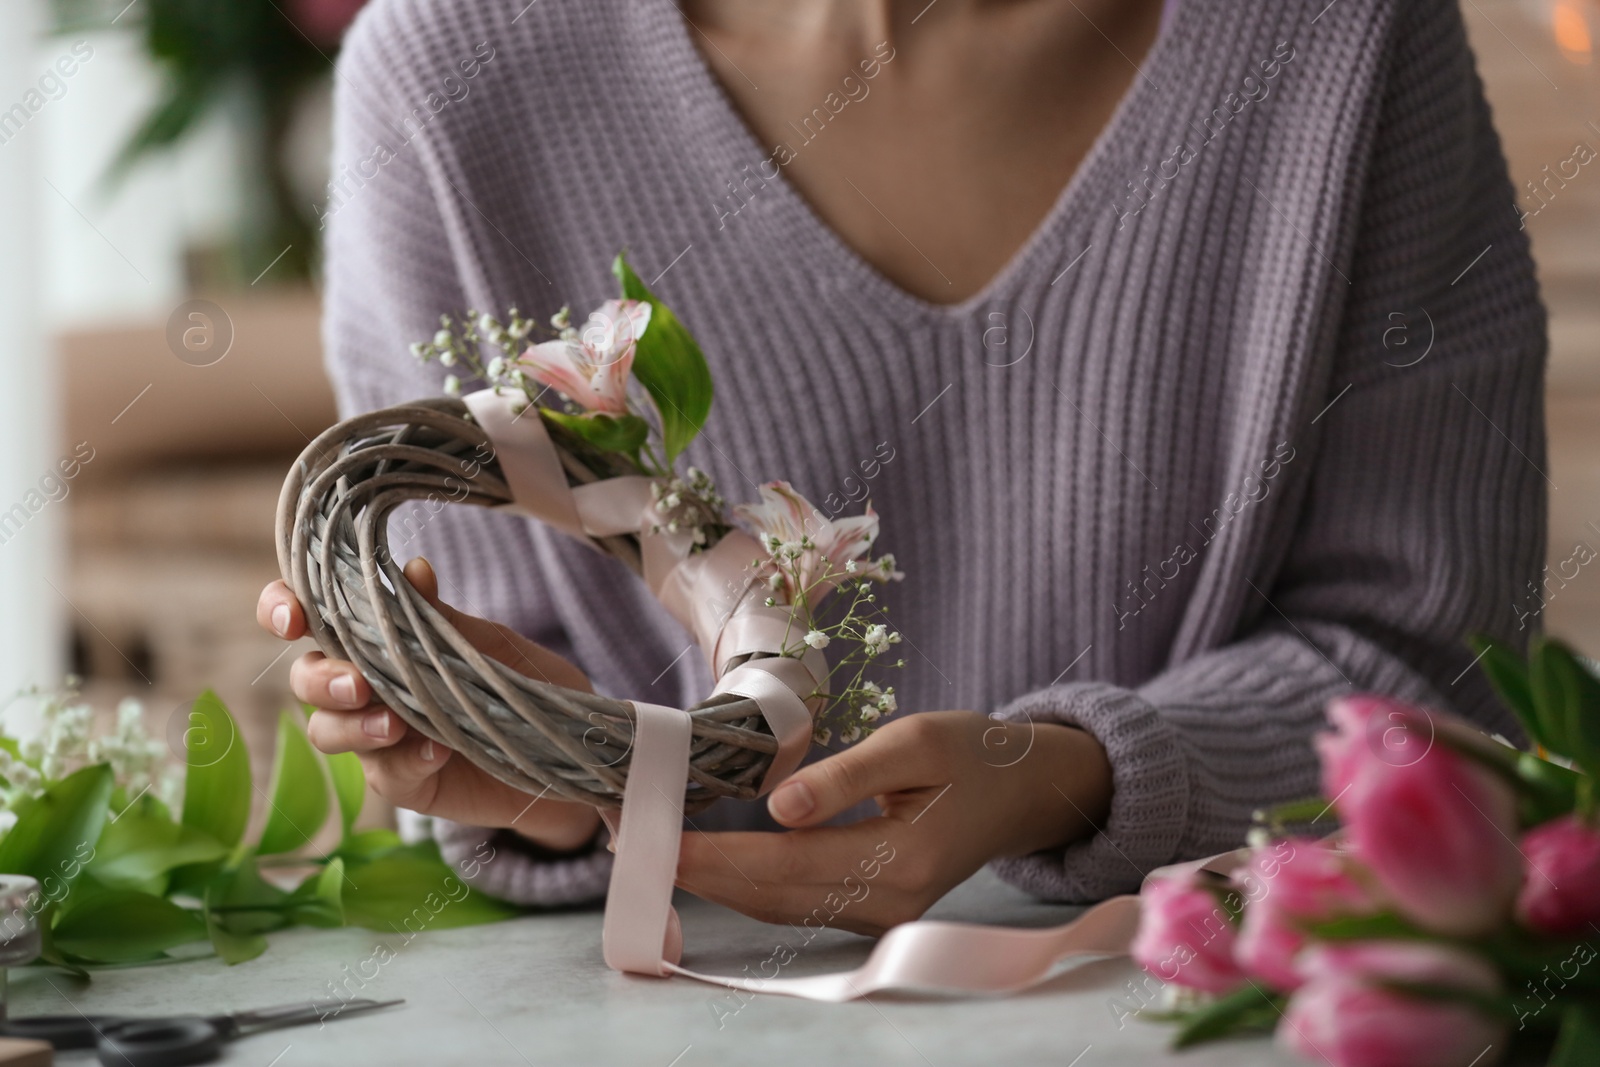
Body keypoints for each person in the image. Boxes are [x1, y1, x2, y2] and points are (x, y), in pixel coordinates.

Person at [257, 0, 1546, 935]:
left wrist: (1073, 775)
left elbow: (1441, 679)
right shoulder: (450, 77)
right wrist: (523, 772)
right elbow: (522, 728)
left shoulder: (1340, 39)